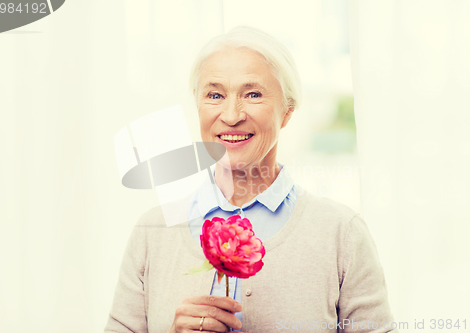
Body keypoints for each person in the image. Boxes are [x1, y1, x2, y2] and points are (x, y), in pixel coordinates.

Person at [104, 26, 397, 333]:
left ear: (287, 111)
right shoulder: (152, 233)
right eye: (215, 95)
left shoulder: (341, 233)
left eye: (253, 94)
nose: (231, 115)